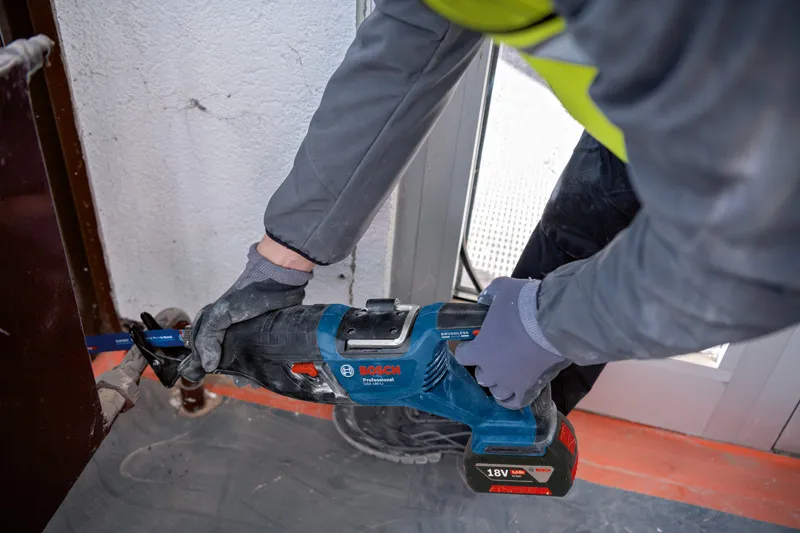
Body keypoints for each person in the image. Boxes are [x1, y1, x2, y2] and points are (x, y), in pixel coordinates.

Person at [190, 0, 800, 463]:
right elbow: (407, 49)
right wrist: (286, 252)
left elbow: (766, 245)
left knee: (564, 315)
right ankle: (481, 400)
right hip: (674, 109)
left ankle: (510, 428)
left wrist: (553, 326)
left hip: (764, 163)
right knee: (574, 234)